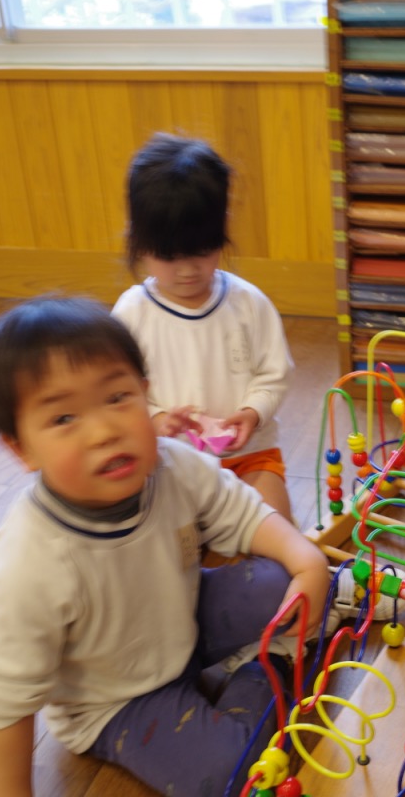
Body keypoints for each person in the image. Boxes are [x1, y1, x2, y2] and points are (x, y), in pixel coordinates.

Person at [0, 296, 329, 797]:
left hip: (183, 624)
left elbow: (246, 514)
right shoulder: (27, 565)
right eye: (64, 418)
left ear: (146, 394)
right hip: (116, 702)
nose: (104, 430)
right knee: (229, 771)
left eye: (117, 397)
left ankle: (274, 651)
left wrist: (308, 560)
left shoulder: (174, 465)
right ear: (21, 448)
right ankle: (271, 667)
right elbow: (6, 706)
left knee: (286, 579)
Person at [112, 133, 296, 523]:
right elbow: (117, 391)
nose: (187, 270)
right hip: (168, 464)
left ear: (222, 231)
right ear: (138, 242)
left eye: (201, 251)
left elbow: (274, 374)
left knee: (281, 532)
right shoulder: (131, 314)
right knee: (170, 539)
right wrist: (156, 419)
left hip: (249, 458)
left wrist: (252, 413)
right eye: (169, 256)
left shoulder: (248, 303)